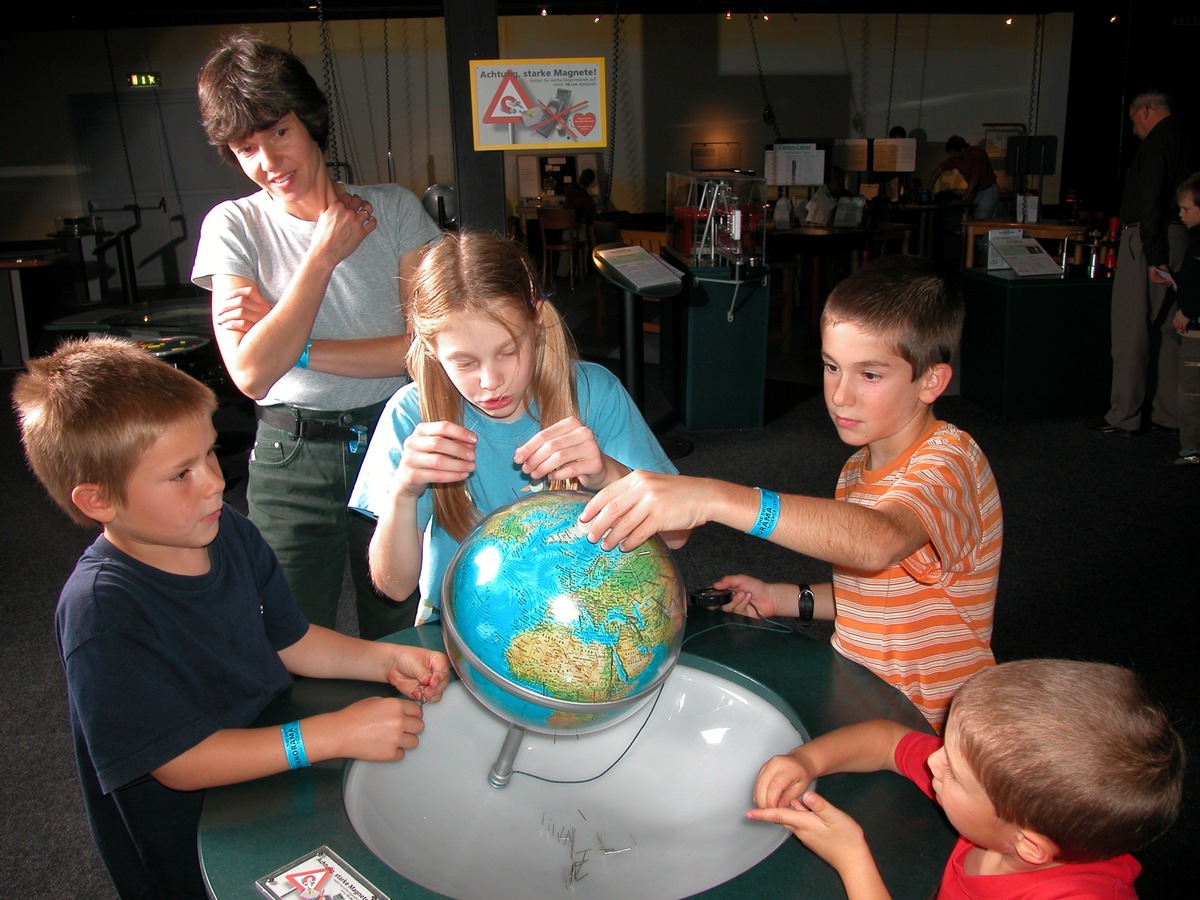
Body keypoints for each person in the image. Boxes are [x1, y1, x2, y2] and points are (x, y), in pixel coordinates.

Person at [11, 336, 450, 899]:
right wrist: (332, 733)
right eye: (180, 474)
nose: (216, 482)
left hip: (269, 773)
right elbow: (179, 761)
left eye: (210, 454)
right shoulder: (103, 610)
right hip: (189, 837)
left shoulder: (229, 530)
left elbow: (290, 640)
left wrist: (384, 658)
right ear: (99, 501)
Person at [580, 255, 1002, 731]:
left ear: (932, 381)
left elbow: (877, 541)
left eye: (870, 375)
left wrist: (716, 497)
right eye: (831, 366)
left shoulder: (950, 462)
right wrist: (785, 597)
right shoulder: (858, 468)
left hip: (934, 729)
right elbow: (880, 594)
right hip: (866, 702)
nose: (840, 395)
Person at [191, 33, 442, 637]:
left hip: (394, 436)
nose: (268, 162)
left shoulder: (396, 210)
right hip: (290, 455)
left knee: (406, 627)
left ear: (310, 123)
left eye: (278, 132)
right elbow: (250, 375)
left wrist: (292, 345)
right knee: (289, 636)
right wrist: (322, 255)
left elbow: (425, 352)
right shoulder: (234, 225)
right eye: (246, 147)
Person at [349, 231, 689, 626]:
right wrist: (404, 492)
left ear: (538, 322)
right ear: (430, 348)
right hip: (466, 634)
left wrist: (608, 474)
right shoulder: (411, 417)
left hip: (584, 625)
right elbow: (394, 586)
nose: (491, 381)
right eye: (464, 362)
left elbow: (677, 536)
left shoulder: (595, 393)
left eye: (508, 352)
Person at [747, 659, 1184, 898]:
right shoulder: (1007, 806)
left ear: (1029, 846)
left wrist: (851, 858)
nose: (935, 763)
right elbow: (886, 742)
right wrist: (807, 760)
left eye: (953, 772)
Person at [1096, 90, 1196, 436]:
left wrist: (1154, 256)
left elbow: (1151, 199)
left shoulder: (1156, 144)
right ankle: (1169, 413)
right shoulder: (1188, 138)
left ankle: (1124, 415)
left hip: (1149, 240)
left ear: (1145, 111)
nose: (1135, 129)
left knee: (1131, 329)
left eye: (1134, 120)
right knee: (1170, 330)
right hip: (1181, 236)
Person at [1166, 171, 1200, 464]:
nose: (1181, 214)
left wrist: (1187, 310)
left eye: (1186, 208)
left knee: (1190, 391)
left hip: (1195, 329)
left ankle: (1191, 448)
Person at [927, 135, 999, 220]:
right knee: (974, 218)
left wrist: (964, 199)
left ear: (961, 149)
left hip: (988, 190)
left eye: (953, 154)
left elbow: (975, 178)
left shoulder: (977, 153)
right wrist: (928, 189)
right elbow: (939, 169)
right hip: (976, 191)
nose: (952, 157)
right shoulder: (956, 158)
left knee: (981, 219)